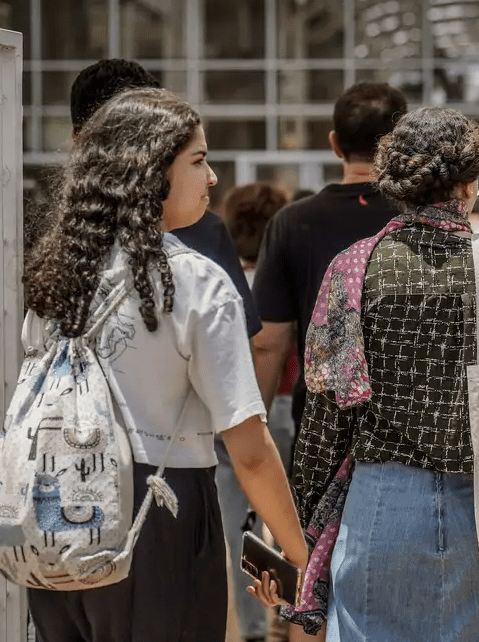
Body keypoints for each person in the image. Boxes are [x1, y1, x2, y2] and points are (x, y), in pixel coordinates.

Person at [258, 108, 479, 642]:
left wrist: (300, 530)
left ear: (396, 182)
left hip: (381, 502)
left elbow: (325, 421)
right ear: (469, 182)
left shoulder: (355, 268)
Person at [22, 88, 308, 642]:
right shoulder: (197, 283)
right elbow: (249, 451)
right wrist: (301, 556)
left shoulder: (56, 276)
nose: (213, 178)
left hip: (55, 509)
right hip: (160, 511)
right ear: (150, 172)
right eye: (198, 161)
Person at [69, 58, 262, 339]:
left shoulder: (53, 247)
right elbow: (237, 346)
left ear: (77, 140)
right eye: (197, 161)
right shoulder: (199, 240)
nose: (211, 178)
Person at [251, 82, 407, 430]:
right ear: (398, 146)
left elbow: (269, 342)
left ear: (335, 143)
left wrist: (258, 435)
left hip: (322, 429)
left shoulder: (293, 222)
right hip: (410, 431)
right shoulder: (420, 219)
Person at [217, 181, 293, 642]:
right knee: (291, 524)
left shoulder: (219, 282)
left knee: (239, 533)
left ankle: (251, 630)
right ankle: (291, 611)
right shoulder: (280, 284)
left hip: (229, 419)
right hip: (284, 411)